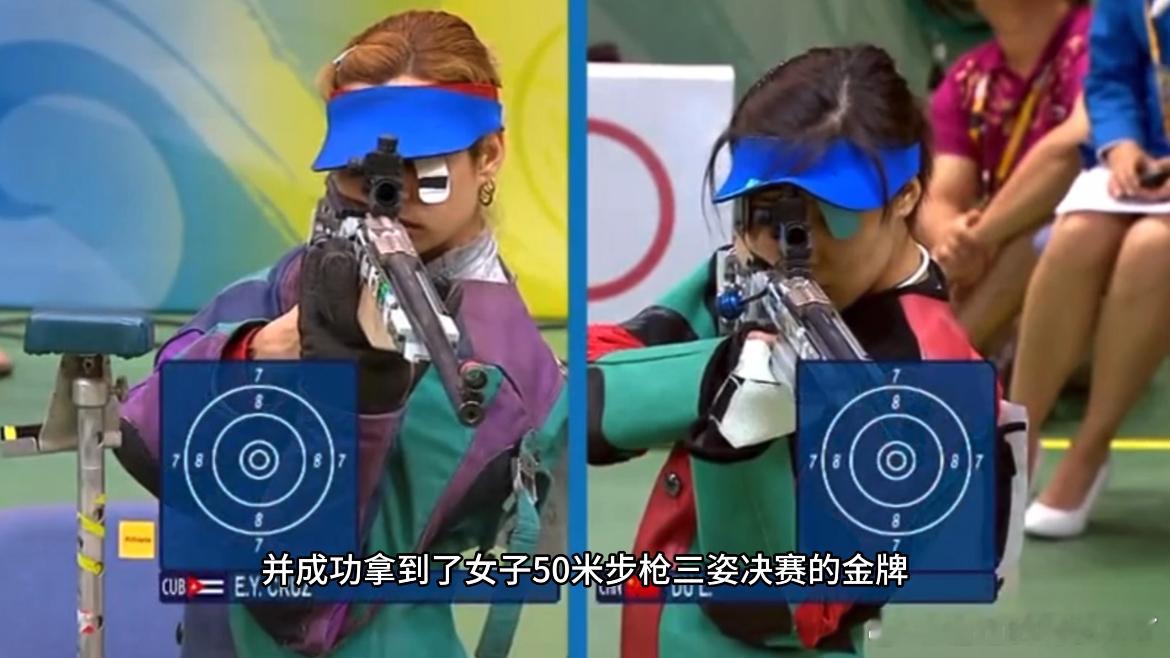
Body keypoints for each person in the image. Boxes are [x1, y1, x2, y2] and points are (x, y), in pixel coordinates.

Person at [114, 10, 566, 657]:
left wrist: (362, 395)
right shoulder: (287, 284)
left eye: (426, 167)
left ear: (488, 154)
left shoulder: (503, 372)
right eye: (363, 172)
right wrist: (263, 347)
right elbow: (142, 434)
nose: (394, 195)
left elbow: (304, 603)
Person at [588, 45, 1025, 658]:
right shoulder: (753, 272)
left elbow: (779, 613)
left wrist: (741, 443)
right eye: (768, 213)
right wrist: (714, 375)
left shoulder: (933, 383)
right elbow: (582, 403)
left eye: (833, 213)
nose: (795, 245)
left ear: (905, 196)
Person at [1014, 0, 1170, 539]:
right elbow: (1110, 77)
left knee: (1153, 246)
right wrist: (1121, 146)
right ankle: (1016, 438)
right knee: (1078, 234)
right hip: (1144, 160)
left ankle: (1090, 449)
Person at [920, 0, 1092, 362]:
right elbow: (939, 196)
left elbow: (1074, 148)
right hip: (1000, 286)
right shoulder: (968, 77)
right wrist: (953, 241)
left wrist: (982, 236)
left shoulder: (1099, 39)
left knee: (1049, 229)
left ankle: (938, 363)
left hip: (1091, 278)